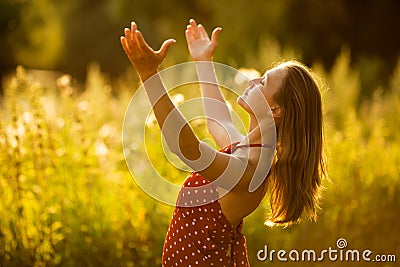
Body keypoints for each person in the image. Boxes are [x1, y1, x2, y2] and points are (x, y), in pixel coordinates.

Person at [121, 19, 326, 267]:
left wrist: (149, 76)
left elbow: (188, 148)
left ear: (275, 110)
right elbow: (218, 119)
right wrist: (203, 61)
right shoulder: (246, 153)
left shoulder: (248, 171)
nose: (252, 81)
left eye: (263, 82)